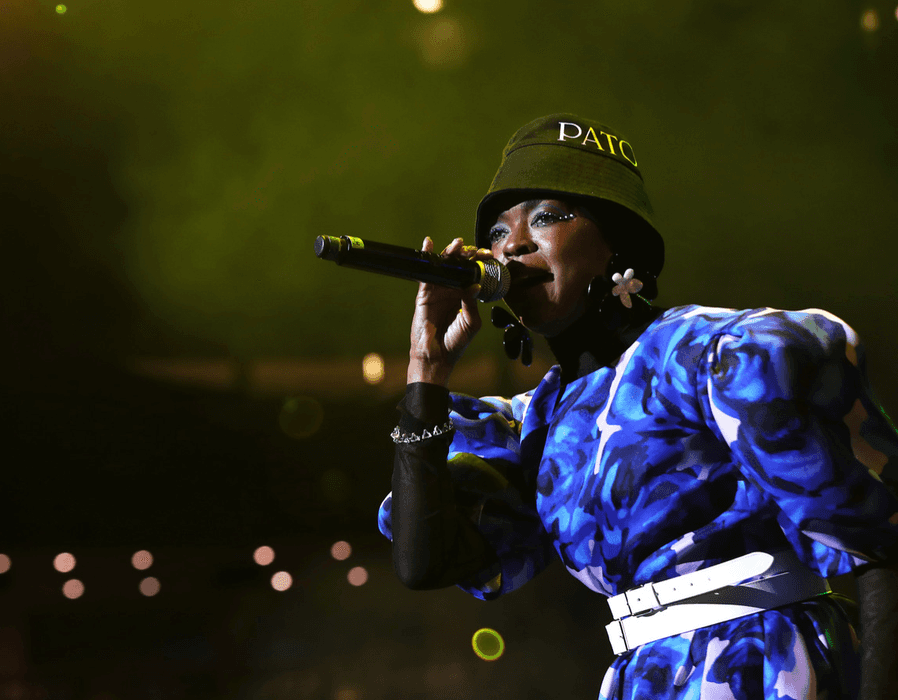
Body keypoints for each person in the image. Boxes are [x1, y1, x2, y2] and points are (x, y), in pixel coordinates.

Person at [378, 113, 898, 699]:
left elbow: (883, 550)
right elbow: (423, 563)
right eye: (497, 232)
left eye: (548, 217)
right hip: (645, 679)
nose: (514, 244)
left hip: (768, 666)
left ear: (616, 246)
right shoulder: (538, 423)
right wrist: (426, 373)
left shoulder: (718, 354)